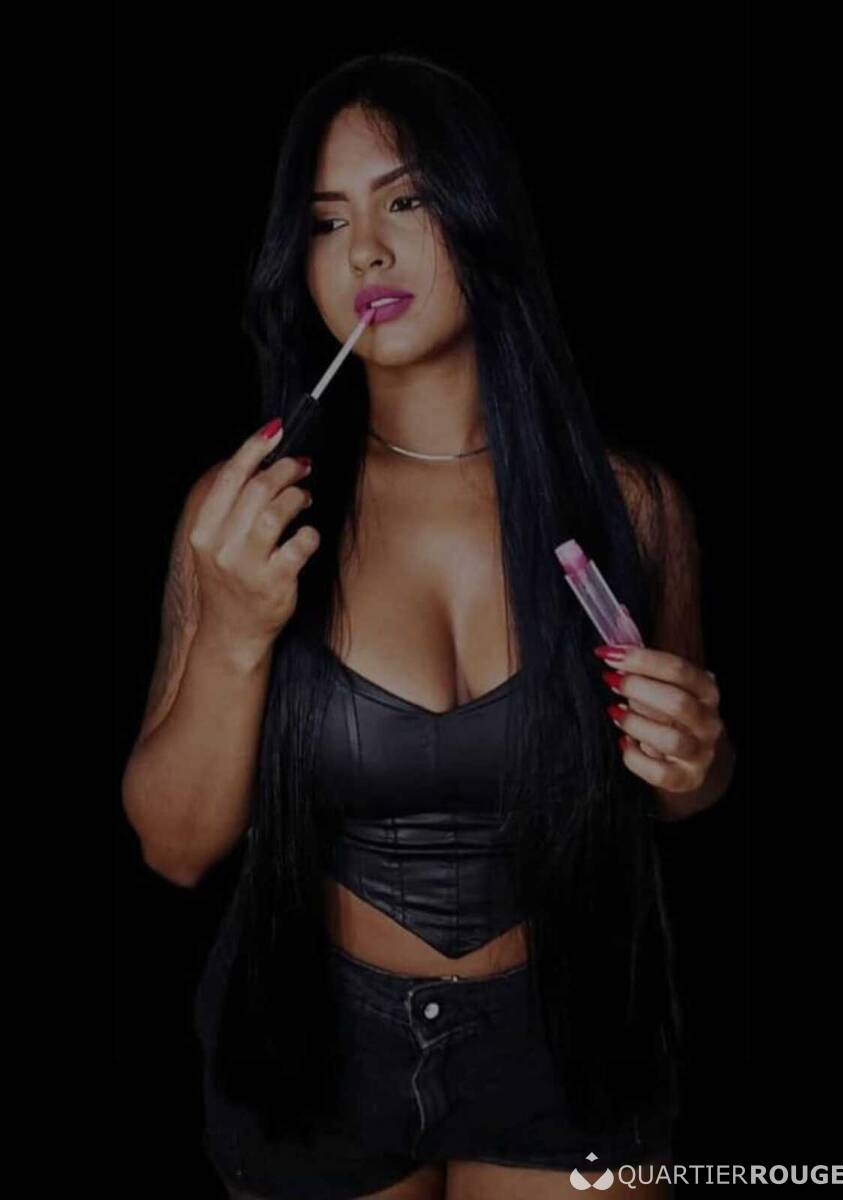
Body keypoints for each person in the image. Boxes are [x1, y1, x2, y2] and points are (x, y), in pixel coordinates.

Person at [122, 52, 736, 1200]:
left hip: (570, 1039)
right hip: (313, 1043)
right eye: (325, 221)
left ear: (478, 212)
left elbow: (681, 792)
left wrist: (696, 762)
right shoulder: (250, 513)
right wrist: (235, 632)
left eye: (403, 202)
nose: (363, 251)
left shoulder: (627, 506)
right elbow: (176, 848)